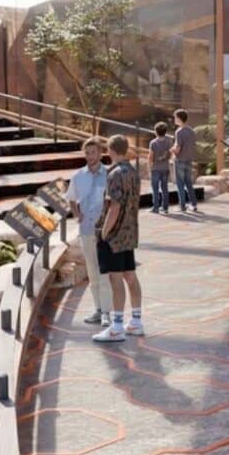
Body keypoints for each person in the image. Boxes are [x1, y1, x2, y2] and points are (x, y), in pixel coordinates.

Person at [92, 134, 144, 343]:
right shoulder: (133, 172)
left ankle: (117, 327)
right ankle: (136, 322)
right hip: (130, 232)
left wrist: (104, 232)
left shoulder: (114, 174)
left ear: (111, 151)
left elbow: (115, 206)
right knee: (130, 276)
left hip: (114, 236)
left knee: (115, 280)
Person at [65, 138, 112, 328]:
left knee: (105, 272)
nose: (90, 156)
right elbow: (70, 199)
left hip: (105, 231)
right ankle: (98, 310)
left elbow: (114, 201)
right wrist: (78, 215)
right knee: (92, 272)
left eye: (93, 152)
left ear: (100, 153)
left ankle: (107, 312)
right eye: (87, 153)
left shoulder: (109, 174)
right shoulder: (78, 176)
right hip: (86, 230)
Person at [171, 109, 199, 213]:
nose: (174, 119)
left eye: (175, 117)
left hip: (179, 160)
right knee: (189, 183)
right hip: (189, 160)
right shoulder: (191, 131)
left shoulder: (179, 132)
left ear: (179, 118)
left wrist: (172, 149)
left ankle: (182, 206)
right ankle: (194, 204)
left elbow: (178, 149)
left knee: (180, 184)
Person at [147, 121, 174, 213]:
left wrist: (150, 165)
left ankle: (155, 207)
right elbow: (170, 154)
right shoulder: (169, 141)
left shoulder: (153, 143)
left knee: (155, 189)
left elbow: (151, 156)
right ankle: (165, 207)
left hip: (155, 168)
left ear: (156, 131)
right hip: (165, 168)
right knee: (164, 188)